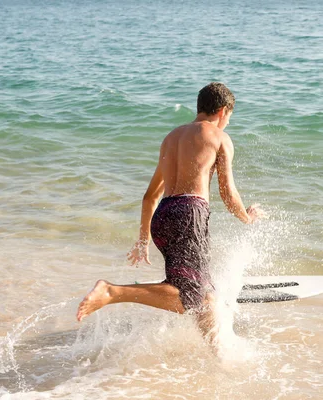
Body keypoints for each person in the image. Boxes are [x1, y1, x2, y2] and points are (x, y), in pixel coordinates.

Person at [76, 82, 264, 351]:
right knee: (190, 296)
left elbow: (150, 196)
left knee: (203, 291)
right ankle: (112, 292)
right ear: (223, 111)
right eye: (229, 118)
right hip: (189, 215)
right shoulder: (219, 137)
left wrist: (143, 239)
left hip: (162, 216)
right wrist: (247, 217)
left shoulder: (171, 137)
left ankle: (218, 351)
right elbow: (227, 192)